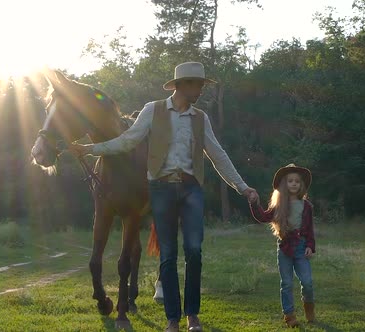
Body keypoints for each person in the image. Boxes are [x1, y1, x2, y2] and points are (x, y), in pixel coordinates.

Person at [70, 61, 258, 332]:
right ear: (181, 85)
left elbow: (218, 155)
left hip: (191, 188)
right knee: (168, 255)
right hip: (161, 188)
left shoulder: (200, 118)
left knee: (194, 251)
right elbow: (128, 140)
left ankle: (192, 315)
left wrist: (243, 187)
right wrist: (91, 149)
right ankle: (173, 319)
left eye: (203, 85)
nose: (201, 90)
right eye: (197, 84)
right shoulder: (153, 110)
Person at [248, 163, 316, 327]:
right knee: (286, 283)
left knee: (307, 282)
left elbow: (310, 230)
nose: (293, 184)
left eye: (297, 181)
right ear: (284, 185)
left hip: (301, 247)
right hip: (285, 247)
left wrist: (310, 246)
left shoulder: (307, 206)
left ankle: (309, 306)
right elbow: (263, 217)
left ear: (301, 185)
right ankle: (289, 315)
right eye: (290, 181)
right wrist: (254, 203)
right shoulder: (279, 205)